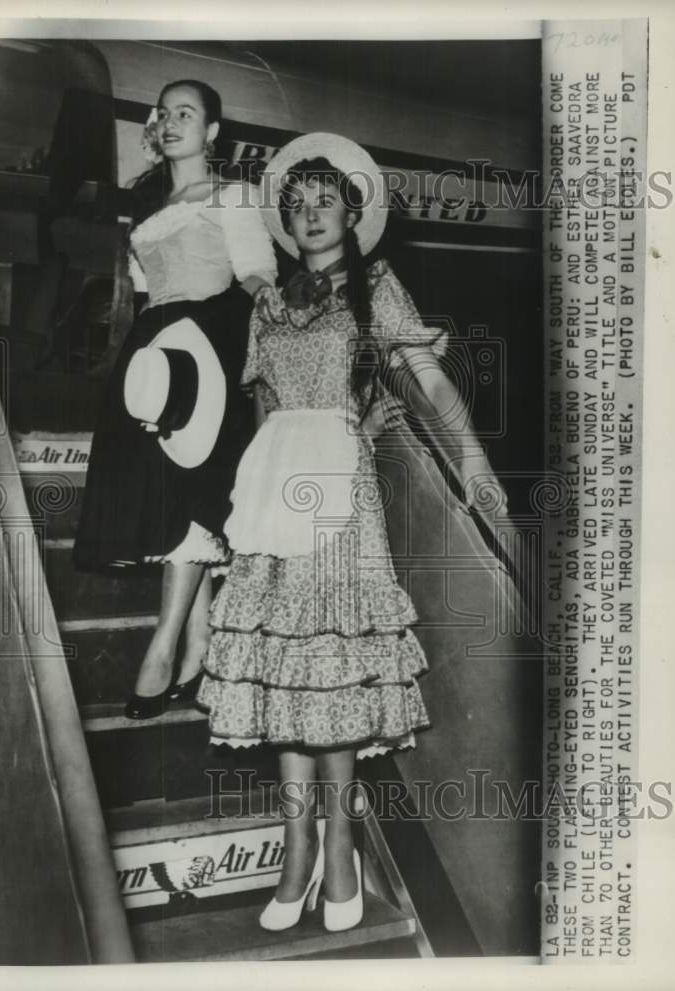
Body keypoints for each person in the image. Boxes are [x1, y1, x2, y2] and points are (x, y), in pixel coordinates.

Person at [197, 132, 507, 933]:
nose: (308, 215)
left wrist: (471, 459)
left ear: (353, 211)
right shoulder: (267, 300)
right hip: (272, 488)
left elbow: (428, 377)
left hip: (339, 492)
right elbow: (264, 407)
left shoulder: (376, 287)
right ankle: (295, 843)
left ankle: (338, 844)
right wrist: (243, 502)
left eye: (323, 201)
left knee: (329, 669)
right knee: (281, 669)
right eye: (295, 206)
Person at [73, 80, 277, 719]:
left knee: (188, 498)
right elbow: (143, 294)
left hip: (203, 356)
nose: (169, 122)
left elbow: (256, 279)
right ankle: (199, 646)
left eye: (185, 113)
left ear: (213, 131)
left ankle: (161, 654)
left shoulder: (234, 195)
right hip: (152, 358)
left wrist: (229, 348)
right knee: (168, 498)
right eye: (162, 113)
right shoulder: (152, 211)